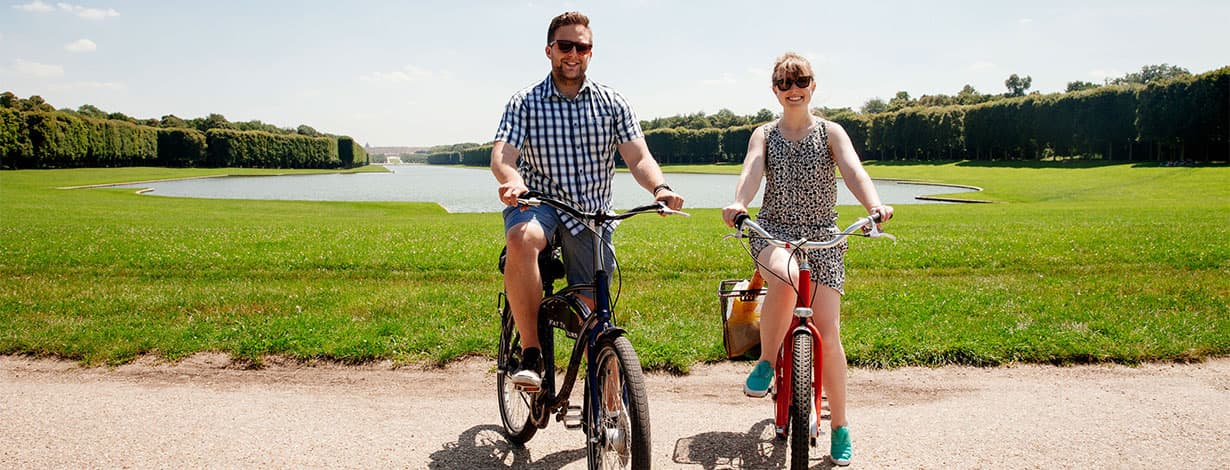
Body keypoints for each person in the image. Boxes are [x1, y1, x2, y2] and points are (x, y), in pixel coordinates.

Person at [491, 11, 684, 393]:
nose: (573, 53)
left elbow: (639, 158)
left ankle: (611, 409)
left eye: (583, 47)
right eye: (566, 45)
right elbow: (503, 156)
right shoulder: (525, 102)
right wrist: (513, 182)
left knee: (597, 321)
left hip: (591, 214)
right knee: (522, 239)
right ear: (549, 50)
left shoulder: (613, 103)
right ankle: (531, 353)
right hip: (539, 202)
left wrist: (660, 189)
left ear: (591, 53)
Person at [721, 52, 893, 467]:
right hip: (773, 233)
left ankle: (841, 427)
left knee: (830, 336)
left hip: (824, 237)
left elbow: (853, 171)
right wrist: (738, 203)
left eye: (801, 82)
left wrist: (874, 206)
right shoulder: (764, 134)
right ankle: (765, 361)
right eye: (784, 83)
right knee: (786, 273)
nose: (793, 90)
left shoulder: (831, 132)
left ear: (813, 86)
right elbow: (752, 170)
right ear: (775, 91)